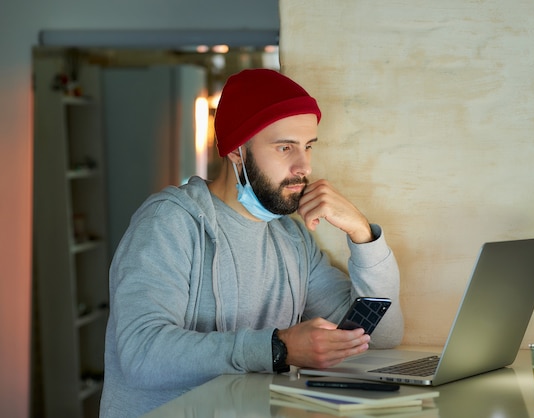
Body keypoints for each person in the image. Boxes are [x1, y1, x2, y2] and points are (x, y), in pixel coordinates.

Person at [99, 68, 404, 417]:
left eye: (307, 147)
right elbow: (142, 354)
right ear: (236, 151)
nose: (303, 166)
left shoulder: (291, 237)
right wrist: (279, 348)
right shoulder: (169, 222)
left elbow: (380, 336)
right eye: (285, 147)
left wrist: (362, 235)